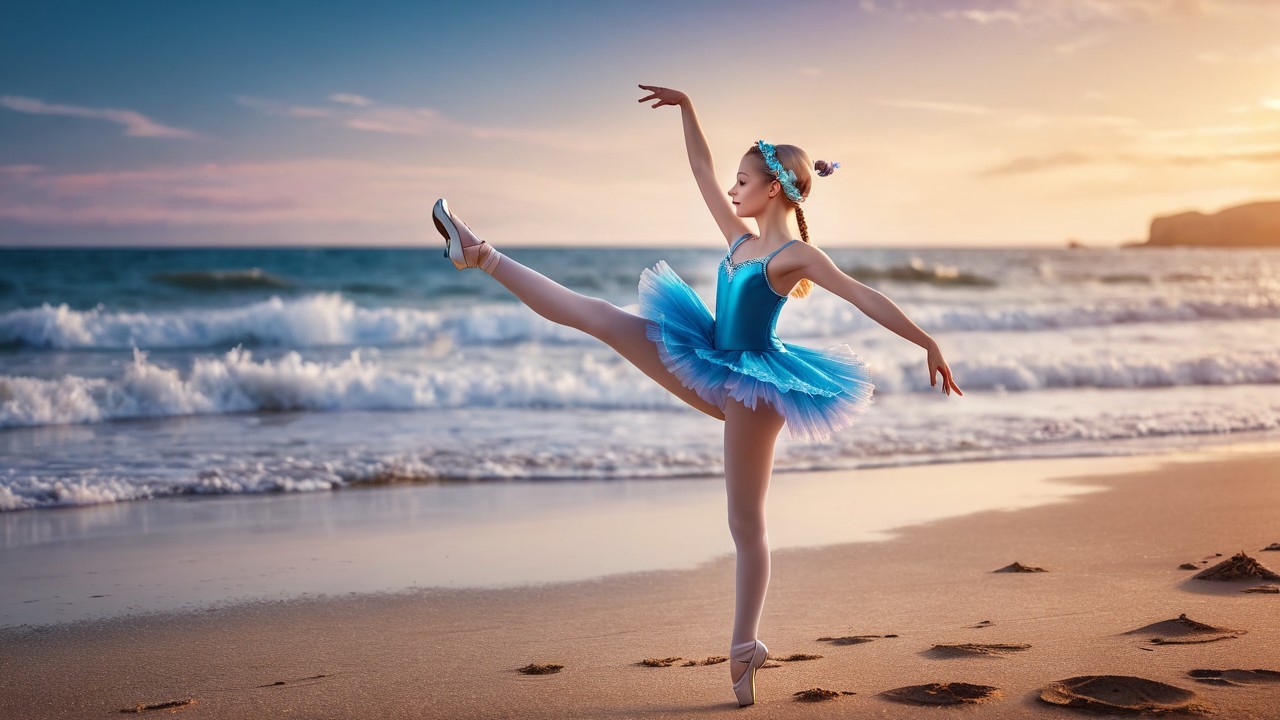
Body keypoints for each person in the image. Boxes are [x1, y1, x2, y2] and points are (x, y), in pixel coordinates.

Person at [431, 83, 963, 707]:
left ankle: (744, 648)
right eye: (735, 180)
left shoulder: (796, 255)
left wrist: (925, 340)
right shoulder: (737, 240)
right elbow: (700, 169)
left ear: (774, 188)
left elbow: (862, 295)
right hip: (705, 352)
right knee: (598, 314)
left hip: (757, 388)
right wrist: (689, 110)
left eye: (745, 181)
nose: (733, 189)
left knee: (745, 523)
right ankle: (479, 253)